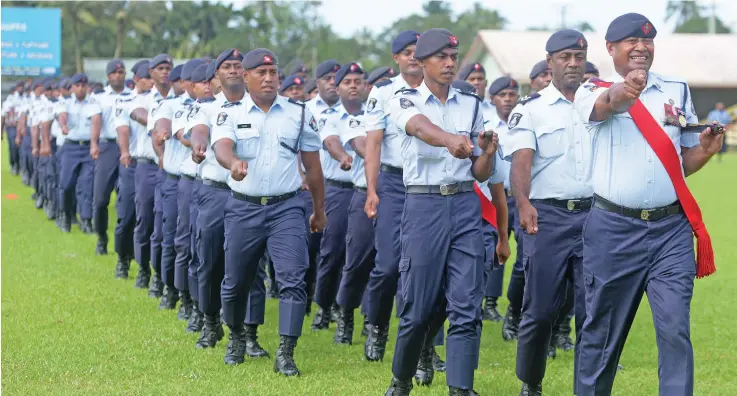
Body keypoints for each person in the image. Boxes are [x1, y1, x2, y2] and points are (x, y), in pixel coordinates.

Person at [574, 13, 721, 396]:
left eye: (648, 42)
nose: (641, 48)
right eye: (630, 42)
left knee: (675, 328)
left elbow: (680, 165)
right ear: (611, 49)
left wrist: (704, 152)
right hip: (613, 231)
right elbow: (608, 103)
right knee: (602, 333)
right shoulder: (590, 88)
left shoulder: (677, 90)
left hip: (669, 231)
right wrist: (628, 90)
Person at [384, 28, 498, 396]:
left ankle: (460, 387)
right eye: (441, 58)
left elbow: (479, 171)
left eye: (453, 56)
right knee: (417, 308)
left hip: (465, 205)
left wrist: (487, 151)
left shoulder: (472, 103)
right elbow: (419, 128)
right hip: (424, 206)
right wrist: (451, 140)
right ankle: (401, 380)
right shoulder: (404, 99)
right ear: (421, 62)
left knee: (467, 305)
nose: (450, 64)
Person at [211, 48, 326, 375]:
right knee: (236, 282)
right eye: (261, 73)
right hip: (243, 209)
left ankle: (286, 352)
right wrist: (232, 163)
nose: (269, 78)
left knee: (293, 278)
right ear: (245, 77)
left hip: (287, 208)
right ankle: (236, 336)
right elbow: (221, 146)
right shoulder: (230, 113)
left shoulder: (299, 113)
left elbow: (314, 168)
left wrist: (319, 210)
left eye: (273, 72)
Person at [503, 29, 591, 396]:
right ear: (550, 61)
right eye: (565, 57)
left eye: (578, 57)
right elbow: (521, 161)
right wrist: (523, 204)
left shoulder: (596, 103)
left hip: (594, 218)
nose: (572, 64)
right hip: (548, 218)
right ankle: (531, 383)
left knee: (593, 311)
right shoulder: (530, 108)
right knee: (539, 311)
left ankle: (588, 386)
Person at [363, 30, 422, 362]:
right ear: (396, 58)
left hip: (429, 186)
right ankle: (377, 328)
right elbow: (373, 144)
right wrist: (372, 189)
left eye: (419, 51)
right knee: (387, 266)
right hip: (395, 184)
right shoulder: (383, 92)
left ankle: (426, 344)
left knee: (428, 268)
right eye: (407, 52)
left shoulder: (439, 92)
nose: (414, 57)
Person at [318, 62, 374, 345]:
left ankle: (370, 318)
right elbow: (332, 142)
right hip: (342, 191)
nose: (353, 85)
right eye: (347, 81)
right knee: (337, 253)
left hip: (382, 191)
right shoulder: (333, 116)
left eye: (358, 81)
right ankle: (330, 309)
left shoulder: (375, 114)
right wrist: (342, 157)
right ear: (338, 87)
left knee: (378, 261)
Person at [458, 66, 512, 322]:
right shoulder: (436, 137)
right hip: (444, 213)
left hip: (482, 219)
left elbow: (497, 192)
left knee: (476, 279)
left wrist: (503, 237)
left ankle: (474, 313)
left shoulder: (488, 142)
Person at [150, 58, 200, 311]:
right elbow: (163, 128)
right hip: (174, 180)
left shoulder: (216, 106)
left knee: (197, 240)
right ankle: (172, 290)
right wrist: (161, 140)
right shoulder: (172, 106)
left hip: (201, 181)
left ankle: (195, 295)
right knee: (173, 237)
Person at [126, 54, 175, 295]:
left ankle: (162, 276)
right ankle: (145, 268)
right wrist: (160, 123)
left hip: (173, 169)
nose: (165, 72)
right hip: (148, 166)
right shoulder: (142, 100)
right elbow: (137, 114)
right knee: (145, 218)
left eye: (168, 68)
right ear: (151, 73)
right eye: (160, 68)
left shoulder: (183, 100)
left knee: (165, 222)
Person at [310, 59, 353, 330]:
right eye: (327, 78)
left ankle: (343, 307)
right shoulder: (309, 110)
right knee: (331, 252)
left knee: (357, 254)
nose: (332, 83)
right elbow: (328, 142)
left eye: (336, 79)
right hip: (331, 188)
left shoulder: (357, 111)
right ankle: (324, 307)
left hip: (360, 189)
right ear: (318, 82)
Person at [113, 64, 154, 279]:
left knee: (149, 219)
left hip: (156, 165)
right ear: (137, 78)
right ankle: (122, 258)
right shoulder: (126, 100)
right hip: (133, 163)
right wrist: (124, 151)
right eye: (147, 77)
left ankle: (146, 268)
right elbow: (122, 128)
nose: (151, 81)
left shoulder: (160, 97)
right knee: (127, 215)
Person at [90, 59, 130, 255]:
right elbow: (96, 121)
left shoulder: (133, 95)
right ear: (108, 76)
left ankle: (124, 244)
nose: (118, 75)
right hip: (107, 147)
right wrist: (94, 144)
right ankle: (101, 237)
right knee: (100, 199)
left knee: (127, 198)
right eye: (114, 73)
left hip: (128, 149)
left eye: (121, 72)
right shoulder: (99, 97)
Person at [56, 74, 102, 233]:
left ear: (87, 87)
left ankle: (86, 220)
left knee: (87, 185)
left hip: (88, 148)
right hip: (71, 147)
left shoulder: (94, 101)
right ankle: (65, 216)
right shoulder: (66, 101)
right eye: (77, 85)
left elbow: (96, 120)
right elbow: (62, 115)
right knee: (66, 184)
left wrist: (94, 144)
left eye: (83, 85)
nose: (81, 88)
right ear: (72, 87)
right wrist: (63, 126)